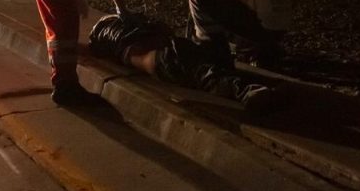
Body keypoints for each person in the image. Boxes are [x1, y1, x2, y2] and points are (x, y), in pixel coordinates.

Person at [88, 12, 285, 114]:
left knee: (203, 71)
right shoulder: (128, 32)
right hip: (166, 55)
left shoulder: (114, 40)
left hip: (163, 57)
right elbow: (165, 30)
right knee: (204, 71)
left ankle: (251, 89)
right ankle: (248, 91)